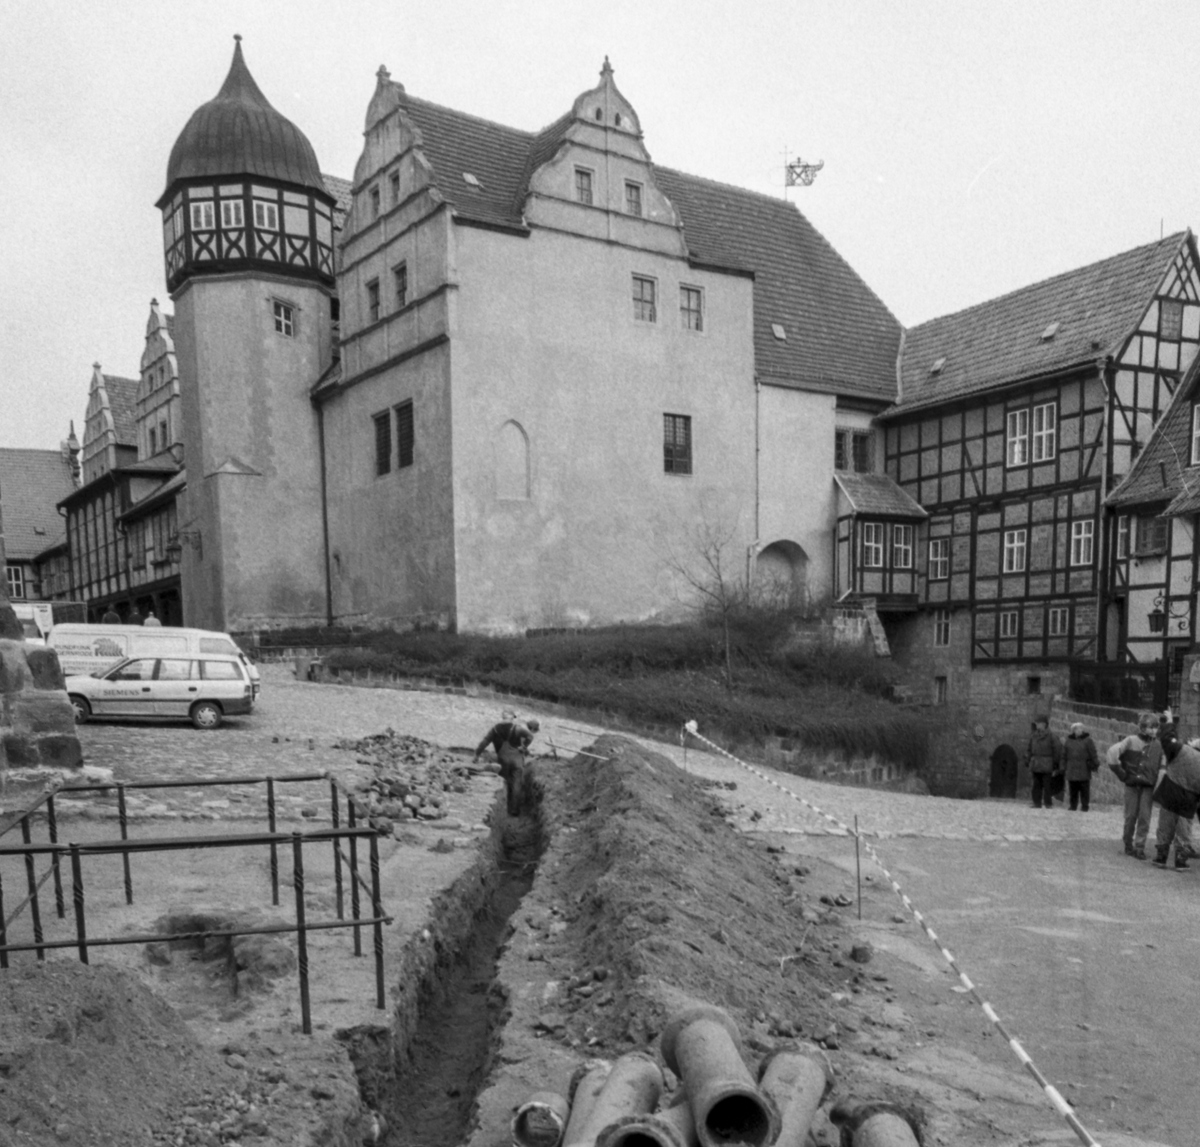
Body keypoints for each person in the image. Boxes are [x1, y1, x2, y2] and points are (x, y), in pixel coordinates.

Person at [1150, 711, 1200, 870]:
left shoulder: (1181, 750)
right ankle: (1180, 859)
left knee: (1165, 825)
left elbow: (1166, 739)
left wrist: (1170, 722)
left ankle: (1161, 856)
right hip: (1189, 799)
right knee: (1184, 830)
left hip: (1170, 793)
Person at [1106, 711, 1160, 858]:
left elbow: (1162, 766)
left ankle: (1139, 847)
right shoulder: (1131, 740)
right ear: (1142, 727)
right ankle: (1128, 843)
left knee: (1144, 817)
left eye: (1155, 727)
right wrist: (1123, 775)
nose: (1153, 730)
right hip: (1132, 785)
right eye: (1150, 727)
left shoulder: (1158, 746)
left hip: (1148, 786)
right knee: (1130, 816)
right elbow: (1112, 754)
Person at [474, 716, 540, 815]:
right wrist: (524, 747)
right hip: (517, 760)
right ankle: (513, 811)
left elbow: (484, 743)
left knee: (504, 781)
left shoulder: (495, 730)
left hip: (503, 759)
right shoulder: (516, 728)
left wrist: (477, 755)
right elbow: (530, 736)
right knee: (516, 783)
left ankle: (503, 810)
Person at [1024, 718, 1062, 808]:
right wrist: (1027, 759)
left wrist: (1055, 763)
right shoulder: (1034, 736)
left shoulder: (1052, 736)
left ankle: (1048, 803)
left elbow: (1057, 750)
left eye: (1039, 723)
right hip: (1036, 763)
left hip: (1047, 763)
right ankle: (1036, 802)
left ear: (1044, 724)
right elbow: (1029, 749)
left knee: (1047, 784)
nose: (1037, 725)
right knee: (1036, 784)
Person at [1061, 722, 1099, 811]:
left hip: (1084, 767)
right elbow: (1063, 755)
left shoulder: (1088, 741)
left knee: (1084, 789)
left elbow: (1093, 753)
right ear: (1073, 730)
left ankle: (1085, 806)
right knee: (1073, 789)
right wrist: (1062, 766)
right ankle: (1073, 805)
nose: (1079, 731)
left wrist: (1096, 763)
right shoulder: (1068, 741)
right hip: (1071, 768)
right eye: (1077, 729)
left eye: (1081, 729)